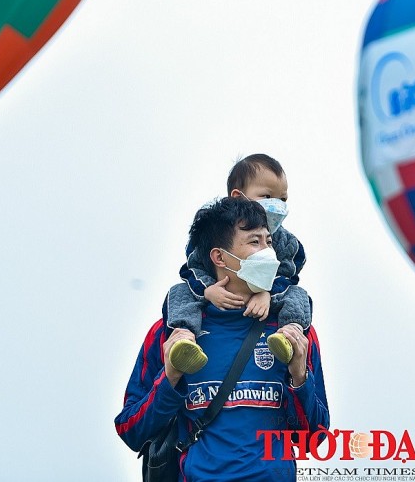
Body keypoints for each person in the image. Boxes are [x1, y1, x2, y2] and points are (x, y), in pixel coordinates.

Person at [115, 197, 329, 481]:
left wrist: (299, 377)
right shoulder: (174, 333)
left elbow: (314, 440)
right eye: (254, 242)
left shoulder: (294, 331)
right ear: (220, 257)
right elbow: (131, 430)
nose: (268, 253)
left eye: (269, 242)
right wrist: (171, 377)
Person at [165, 154, 311, 374]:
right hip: (217, 291)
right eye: (267, 196)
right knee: (179, 293)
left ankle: (290, 336)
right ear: (237, 197)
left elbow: (290, 273)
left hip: (269, 295)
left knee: (299, 295)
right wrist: (208, 291)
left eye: (283, 199)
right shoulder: (215, 231)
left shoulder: (285, 240)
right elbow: (192, 268)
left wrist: (267, 293)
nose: (277, 205)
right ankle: (183, 339)